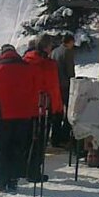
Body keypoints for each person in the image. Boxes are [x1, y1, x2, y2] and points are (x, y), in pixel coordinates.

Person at [0, 44, 40, 192]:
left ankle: (1, 181)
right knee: (17, 147)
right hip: (23, 115)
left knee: (2, 148)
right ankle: (13, 179)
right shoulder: (27, 67)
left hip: (3, 114)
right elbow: (35, 90)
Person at [22, 34, 63, 182]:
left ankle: (23, 169)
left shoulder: (25, 61)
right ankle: (34, 172)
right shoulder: (48, 64)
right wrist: (57, 108)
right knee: (39, 142)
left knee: (27, 139)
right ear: (47, 47)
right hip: (43, 107)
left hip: (26, 106)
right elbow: (53, 88)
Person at [49, 33, 76, 147]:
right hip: (65, 85)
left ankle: (55, 137)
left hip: (54, 84)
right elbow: (70, 70)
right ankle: (64, 137)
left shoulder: (54, 52)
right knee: (69, 112)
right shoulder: (67, 52)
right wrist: (73, 81)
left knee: (56, 112)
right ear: (69, 42)